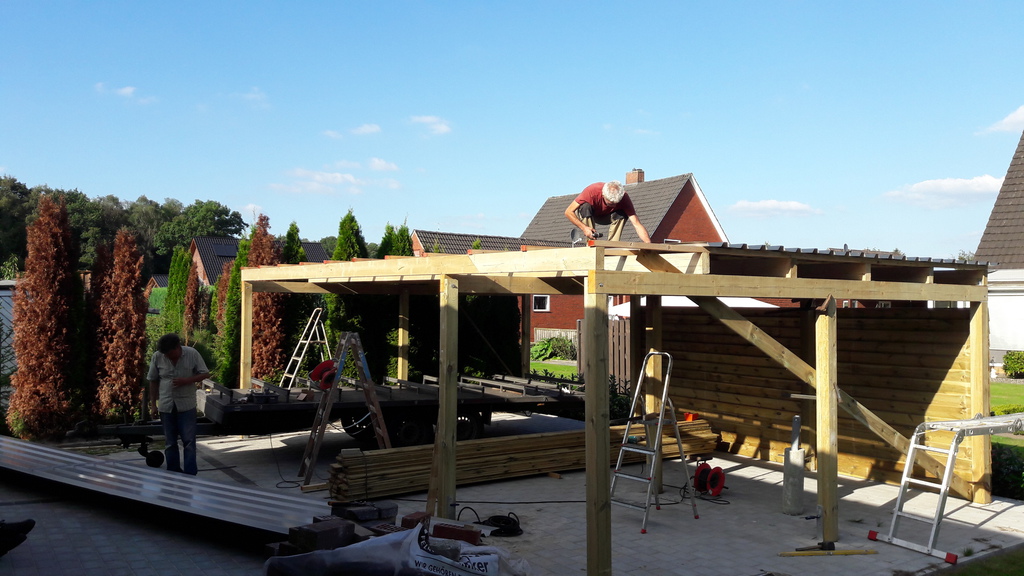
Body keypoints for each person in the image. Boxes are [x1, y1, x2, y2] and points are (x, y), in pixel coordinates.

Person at [147, 333, 209, 475]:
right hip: (166, 405)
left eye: (170, 354)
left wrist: (187, 380)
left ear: (177, 347)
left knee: (189, 442)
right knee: (170, 442)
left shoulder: (192, 354)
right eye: (166, 355)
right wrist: (153, 405)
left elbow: (205, 373)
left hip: (186, 405)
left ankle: (190, 473)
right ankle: (173, 472)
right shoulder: (157, 356)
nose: (168, 357)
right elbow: (153, 380)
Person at [564, 180, 652, 243]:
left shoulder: (624, 198)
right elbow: (568, 212)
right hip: (591, 214)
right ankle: (591, 242)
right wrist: (584, 228)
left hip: (608, 217)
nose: (613, 206)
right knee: (585, 206)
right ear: (603, 195)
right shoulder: (592, 191)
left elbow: (637, 224)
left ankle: (613, 245)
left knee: (622, 213)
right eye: (610, 203)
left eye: (615, 203)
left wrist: (649, 244)